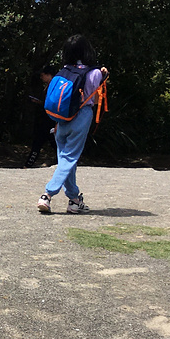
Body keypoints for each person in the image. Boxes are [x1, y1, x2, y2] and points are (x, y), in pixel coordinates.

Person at [38, 35, 107, 215]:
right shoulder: (95, 72)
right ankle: (47, 194)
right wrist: (104, 75)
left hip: (60, 119)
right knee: (69, 158)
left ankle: (74, 200)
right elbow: (97, 98)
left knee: (66, 160)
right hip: (81, 116)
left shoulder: (64, 71)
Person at [22, 65, 58, 168]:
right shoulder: (49, 86)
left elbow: (53, 104)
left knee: (40, 142)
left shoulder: (54, 86)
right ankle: (29, 163)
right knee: (49, 142)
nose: (41, 77)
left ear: (48, 75)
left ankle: (28, 164)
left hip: (49, 120)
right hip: (46, 119)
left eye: (42, 75)